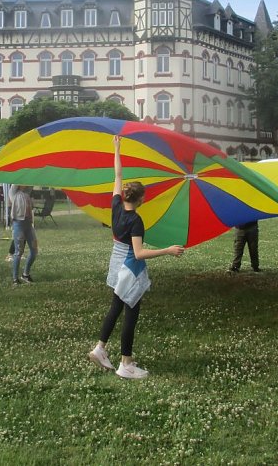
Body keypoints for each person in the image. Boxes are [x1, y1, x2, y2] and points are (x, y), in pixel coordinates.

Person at [88, 135, 184, 380]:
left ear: (125, 196)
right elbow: (139, 253)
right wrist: (168, 250)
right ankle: (126, 363)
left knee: (116, 306)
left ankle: (100, 349)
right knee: (130, 312)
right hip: (129, 269)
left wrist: (116, 149)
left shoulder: (116, 207)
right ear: (141, 199)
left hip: (116, 263)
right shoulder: (136, 220)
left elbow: (117, 176)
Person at [9, 184, 38, 284]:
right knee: (18, 252)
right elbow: (15, 183)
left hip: (29, 225)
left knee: (34, 251)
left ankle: (25, 274)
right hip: (18, 224)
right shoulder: (13, 193)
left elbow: (31, 182)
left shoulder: (27, 193)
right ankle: (15, 278)